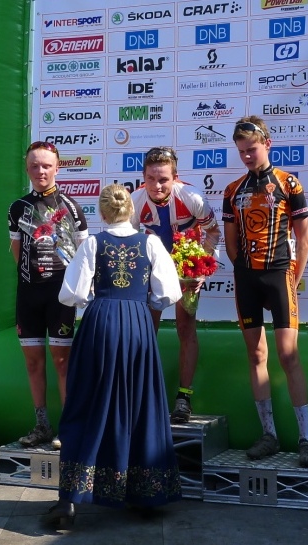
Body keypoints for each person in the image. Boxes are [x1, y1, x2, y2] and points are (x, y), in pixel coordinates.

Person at [43, 184, 182, 527]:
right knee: (141, 404)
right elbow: (169, 293)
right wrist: (143, 303)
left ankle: (69, 501)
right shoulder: (151, 243)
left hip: (100, 324)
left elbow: (70, 294)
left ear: (103, 214)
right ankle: (145, 494)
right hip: (137, 325)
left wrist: (95, 300)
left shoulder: (93, 243)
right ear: (131, 211)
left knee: (87, 403)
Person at [222, 115, 308, 468]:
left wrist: (292, 277)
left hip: (279, 276)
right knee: (256, 356)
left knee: (289, 356)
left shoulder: (288, 183)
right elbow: (231, 243)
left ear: (267, 143)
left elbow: (304, 240)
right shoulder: (232, 190)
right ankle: (269, 435)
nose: (247, 156)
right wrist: (244, 269)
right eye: (242, 151)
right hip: (247, 279)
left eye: (252, 149)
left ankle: (306, 439)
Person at [130, 146, 221, 423]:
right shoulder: (135, 201)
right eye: (150, 179)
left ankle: (184, 398)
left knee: (185, 328)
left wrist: (201, 266)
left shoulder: (192, 197)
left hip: (185, 270)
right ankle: (143, 395)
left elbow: (213, 232)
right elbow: (129, 242)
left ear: (175, 177)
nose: (156, 186)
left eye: (163, 180)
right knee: (147, 331)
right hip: (153, 271)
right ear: (143, 177)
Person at [8, 141, 89, 449]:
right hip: (29, 296)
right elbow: (17, 252)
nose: (40, 171)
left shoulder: (71, 207)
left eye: (46, 165)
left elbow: (84, 254)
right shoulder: (18, 208)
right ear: (27, 168)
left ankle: (68, 428)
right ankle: (42, 425)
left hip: (60, 296)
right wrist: (32, 279)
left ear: (57, 168)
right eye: (34, 166)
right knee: (33, 363)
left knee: (62, 361)